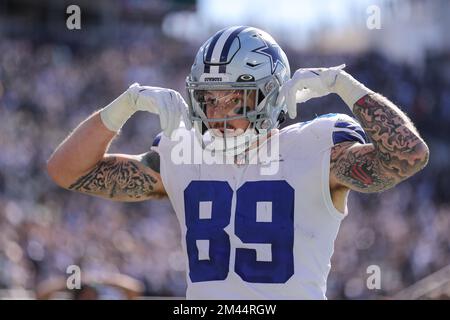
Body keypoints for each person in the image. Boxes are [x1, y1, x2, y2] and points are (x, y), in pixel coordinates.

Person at [47, 26, 429, 299]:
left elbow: (407, 155)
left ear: (270, 95)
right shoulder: (183, 152)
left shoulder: (316, 147)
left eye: (235, 99)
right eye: (210, 99)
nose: (218, 113)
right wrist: (123, 106)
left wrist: (344, 86)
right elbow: (65, 171)